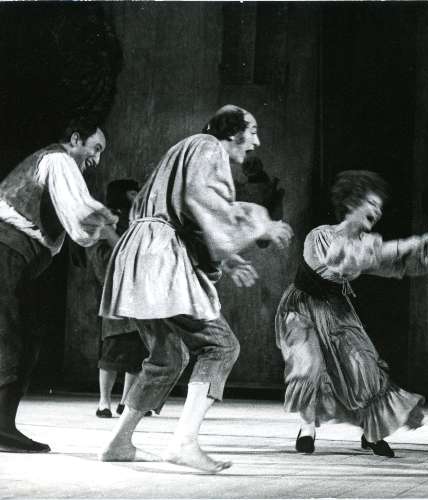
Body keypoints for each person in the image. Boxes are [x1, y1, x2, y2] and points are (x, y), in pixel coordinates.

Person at [98, 105, 293, 473]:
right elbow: (205, 201)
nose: (256, 141)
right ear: (232, 132)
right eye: (252, 131)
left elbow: (189, 213)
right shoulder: (208, 147)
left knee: (167, 357)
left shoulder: (183, 149)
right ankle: (183, 442)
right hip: (159, 257)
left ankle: (118, 442)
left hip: (139, 255)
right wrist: (260, 225)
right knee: (221, 346)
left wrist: (228, 257)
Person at [275, 170, 428, 458]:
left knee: (364, 366)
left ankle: (372, 433)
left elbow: (390, 266)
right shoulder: (320, 236)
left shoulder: (368, 243)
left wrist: (421, 255)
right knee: (309, 366)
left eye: (380, 207)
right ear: (351, 204)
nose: (377, 211)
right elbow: (339, 263)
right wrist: (404, 244)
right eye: (371, 203)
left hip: (337, 309)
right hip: (302, 309)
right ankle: (307, 429)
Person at [0, 120, 118, 453]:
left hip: (16, 256)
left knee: (24, 335)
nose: (97, 159)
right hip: (6, 250)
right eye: (95, 148)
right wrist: (113, 233)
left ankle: (3, 425)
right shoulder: (59, 159)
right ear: (76, 139)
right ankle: (2, 428)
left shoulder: (54, 162)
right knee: (13, 337)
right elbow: (80, 213)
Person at [89, 179, 152, 419]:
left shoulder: (136, 220)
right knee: (113, 349)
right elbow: (107, 264)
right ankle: (104, 402)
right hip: (115, 296)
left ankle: (126, 401)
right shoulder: (103, 222)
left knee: (137, 349)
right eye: (134, 193)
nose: (138, 196)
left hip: (138, 293)